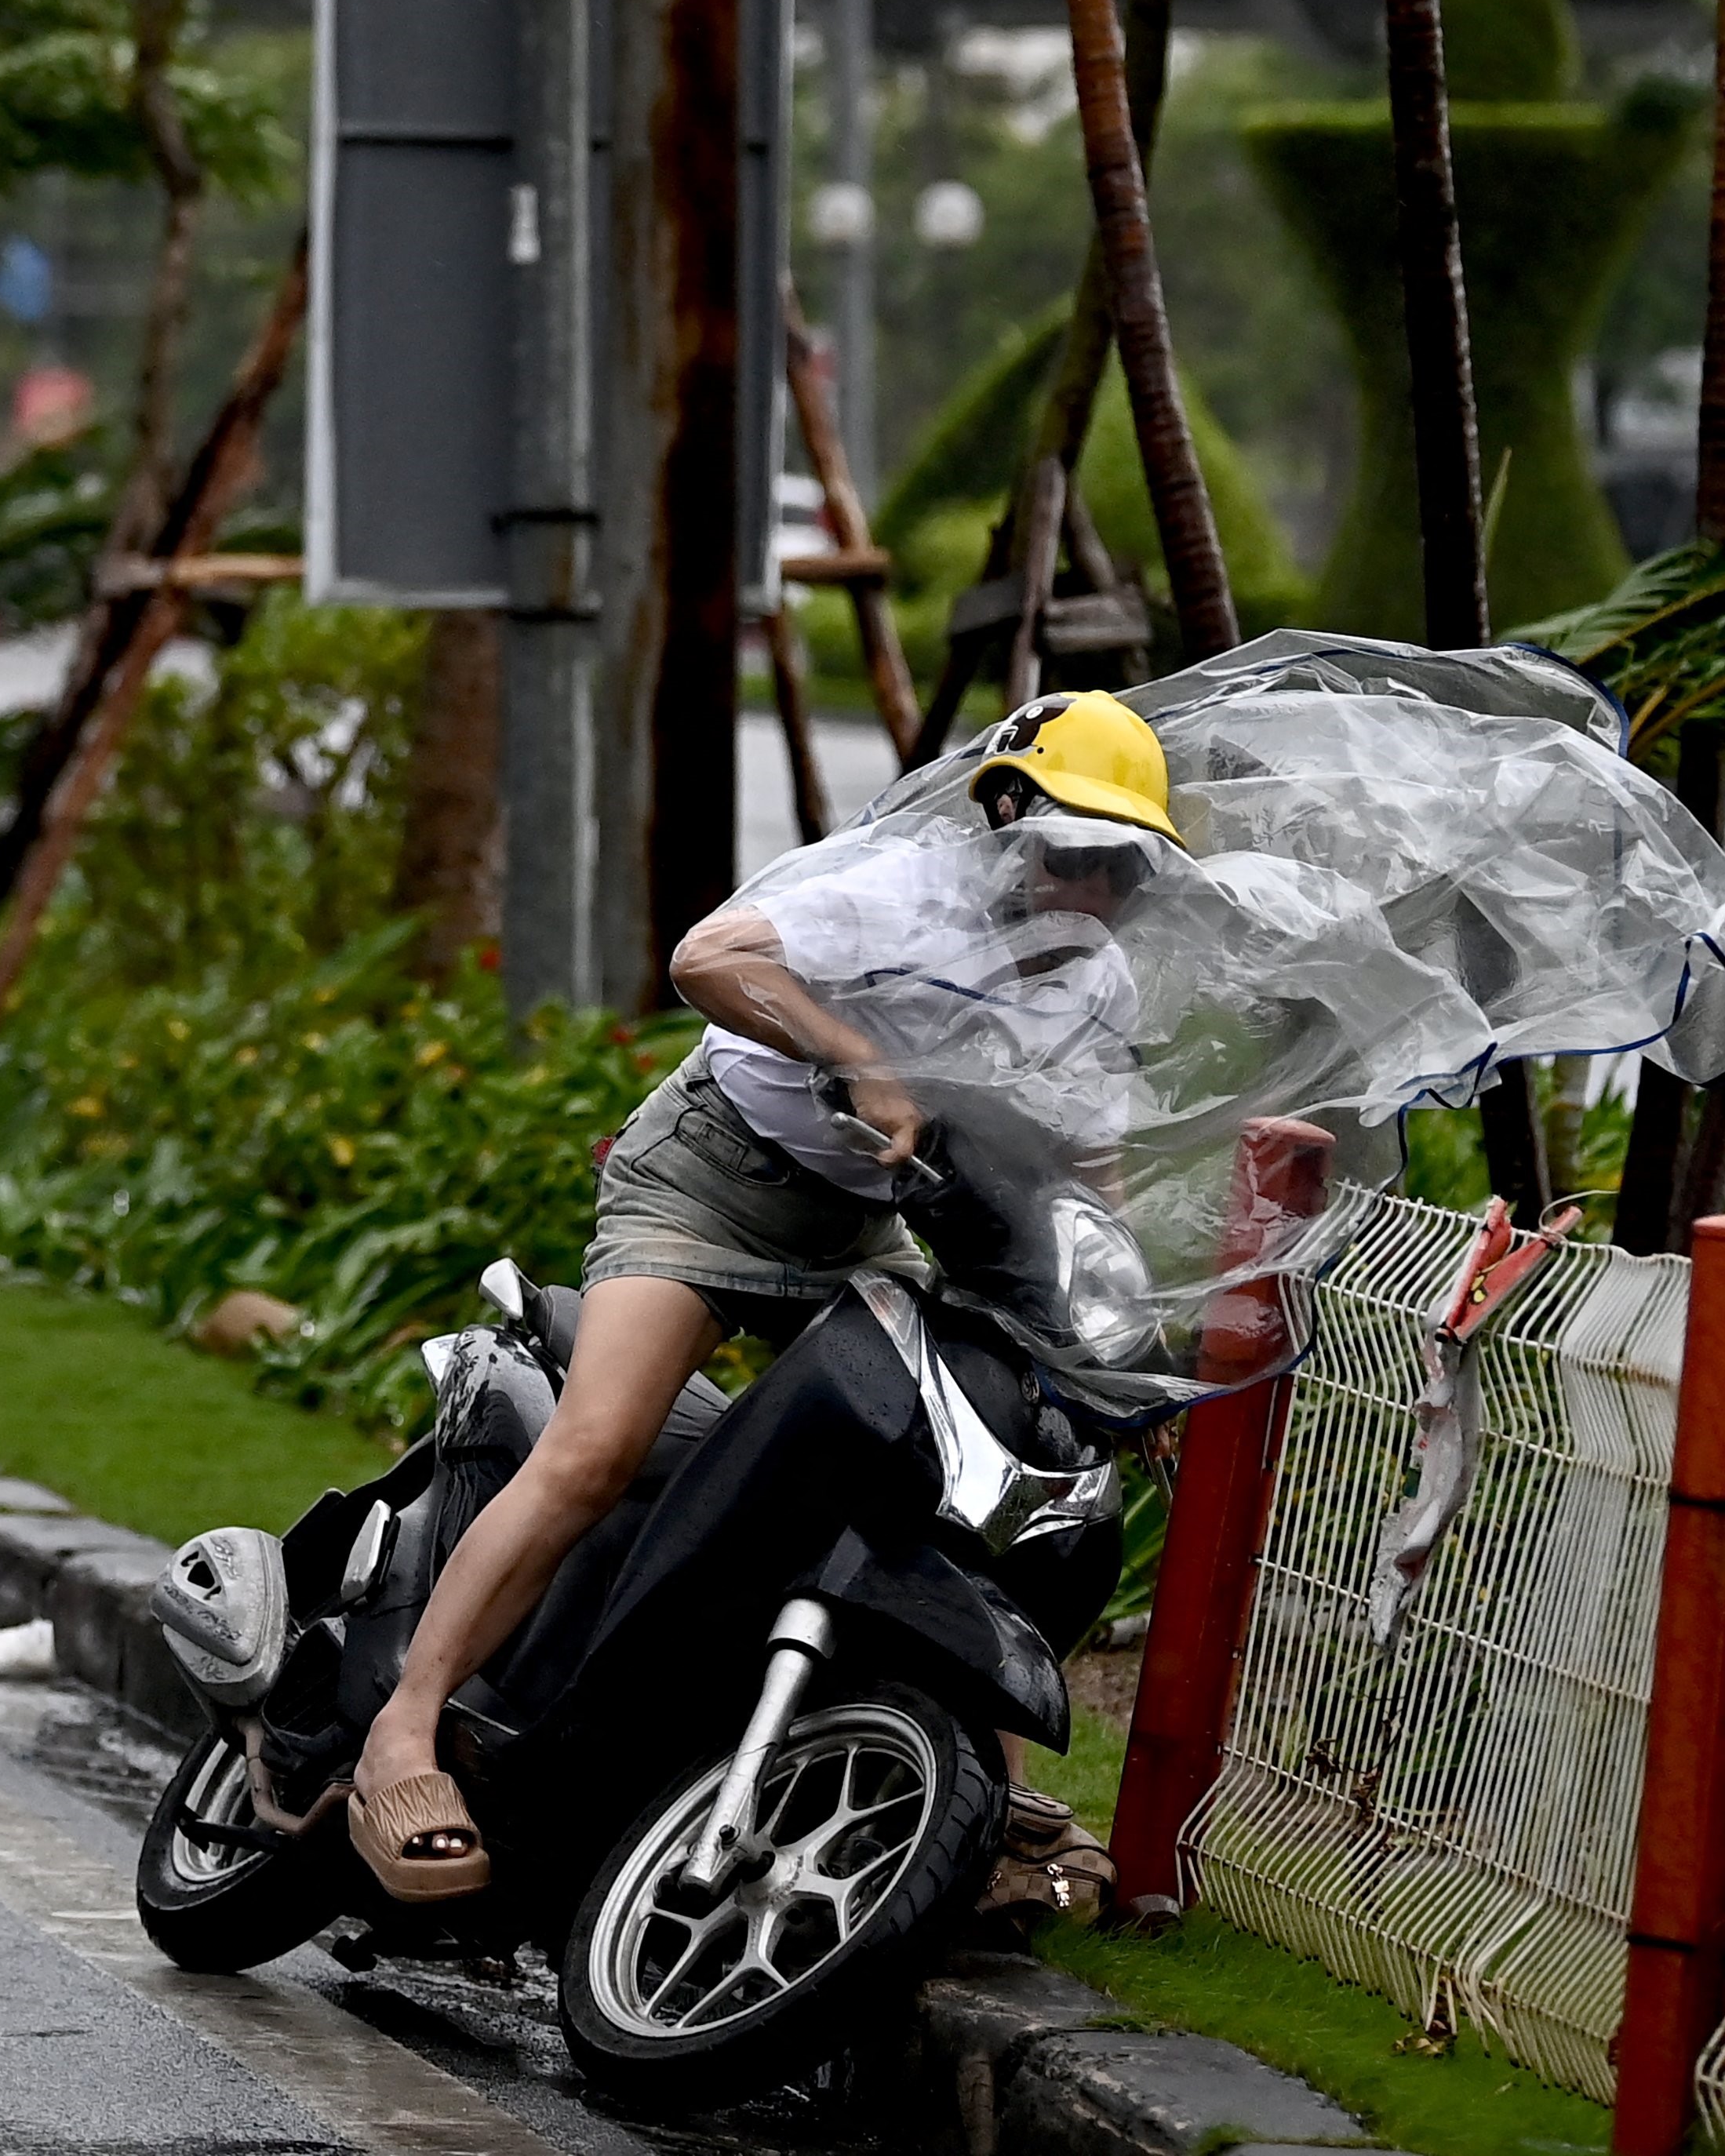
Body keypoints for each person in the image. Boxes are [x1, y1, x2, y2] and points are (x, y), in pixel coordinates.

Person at [289, 690, 1180, 1908]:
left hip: (872, 1220)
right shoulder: (898, 887)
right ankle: (406, 1726)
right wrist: (856, 1058)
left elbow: (1092, 1161)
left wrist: (1115, 1325)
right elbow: (706, 956)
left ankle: (983, 1792)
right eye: (1078, 851)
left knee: (953, 1485)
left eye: (1125, 863)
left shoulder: (1097, 981)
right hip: (714, 1178)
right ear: (1009, 818)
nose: (1098, 887)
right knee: (596, 1448)